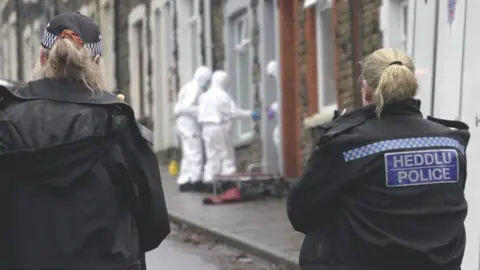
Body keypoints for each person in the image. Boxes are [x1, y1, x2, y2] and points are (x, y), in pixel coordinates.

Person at [0, 12, 170, 269]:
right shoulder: (119, 124)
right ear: (97, 62)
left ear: (42, 57)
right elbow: (153, 222)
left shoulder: (6, 121)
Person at [287, 48, 470, 270]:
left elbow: (300, 211)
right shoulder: (452, 141)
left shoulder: (348, 145)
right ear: (411, 86)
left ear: (365, 89)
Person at [198, 70, 259, 189]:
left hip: (206, 128)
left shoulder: (204, 96)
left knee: (212, 155)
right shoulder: (223, 95)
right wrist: (250, 114)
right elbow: (233, 112)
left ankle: (210, 181)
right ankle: (228, 181)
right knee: (226, 154)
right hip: (219, 126)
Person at [174, 66, 212, 192]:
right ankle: (196, 180)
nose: (207, 85)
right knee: (196, 151)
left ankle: (185, 180)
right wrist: (203, 111)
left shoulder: (187, 87)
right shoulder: (195, 89)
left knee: (188, 153)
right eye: (207, 81)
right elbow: (186, 107)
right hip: (188, 123)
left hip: (183, 123)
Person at [265, 60, 281, 164]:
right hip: (282, 123)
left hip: (286, 123)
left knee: (278, 135)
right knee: (277, 135)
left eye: (272, 75)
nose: (272, 78)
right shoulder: (279, 81)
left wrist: (273, 108)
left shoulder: (282, 81)